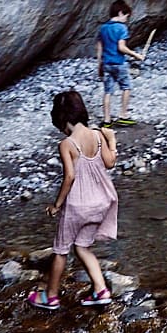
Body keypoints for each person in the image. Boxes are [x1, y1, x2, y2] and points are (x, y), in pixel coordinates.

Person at [28, 88, 118, 310]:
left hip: (78, 206)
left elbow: (70, 176)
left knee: (61, 251)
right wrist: (112, 140)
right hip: (102, 202)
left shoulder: (67, 144)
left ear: (61, 118)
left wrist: (57, 205)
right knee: (83, 247)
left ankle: (50, 296)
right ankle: (100, 290)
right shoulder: (97, 136)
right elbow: (110, 163)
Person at [97, 0, 146, 125]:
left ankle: (107, 120)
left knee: (108, 91)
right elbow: (121, 47)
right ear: (120, 13)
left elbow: (99, 48)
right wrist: (136, 55)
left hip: (107, 63)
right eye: (126, 16)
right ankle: (123, 115)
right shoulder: (121, 28)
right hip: (119, 63)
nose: (126, 19)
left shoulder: (103, 28)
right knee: (126, 87)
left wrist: (99, 65)